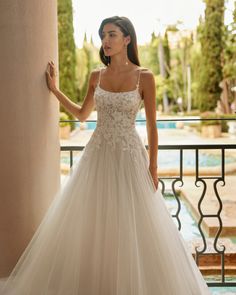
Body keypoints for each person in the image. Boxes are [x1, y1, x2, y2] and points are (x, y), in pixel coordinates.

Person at [0, 16, 211, 295]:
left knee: (133, 224)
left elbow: (152, 128)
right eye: (103, 35)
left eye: (112, 34)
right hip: (97, 156)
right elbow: (82, 115)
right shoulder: (96, 76)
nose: (105, 41)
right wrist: (54, 90)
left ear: (127, 39)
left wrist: (153, 168)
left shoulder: (144, 77)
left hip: (130, 158)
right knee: (94, 223)